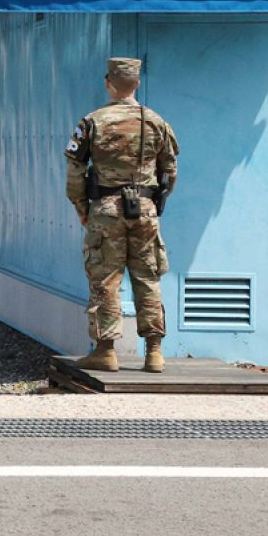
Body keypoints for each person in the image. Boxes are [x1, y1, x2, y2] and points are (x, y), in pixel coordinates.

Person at [64, 57, 179, 374]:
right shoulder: (156, 121)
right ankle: (154, 352)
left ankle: (105, 351)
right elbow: (169, 173)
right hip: (144, 210)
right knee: (148, 277)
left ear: (108, 83)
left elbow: (75, 171)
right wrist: (154, 202)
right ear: (137, 83)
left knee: (105, 279)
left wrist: (81, 207)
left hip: (105, 211)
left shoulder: (92, 122)